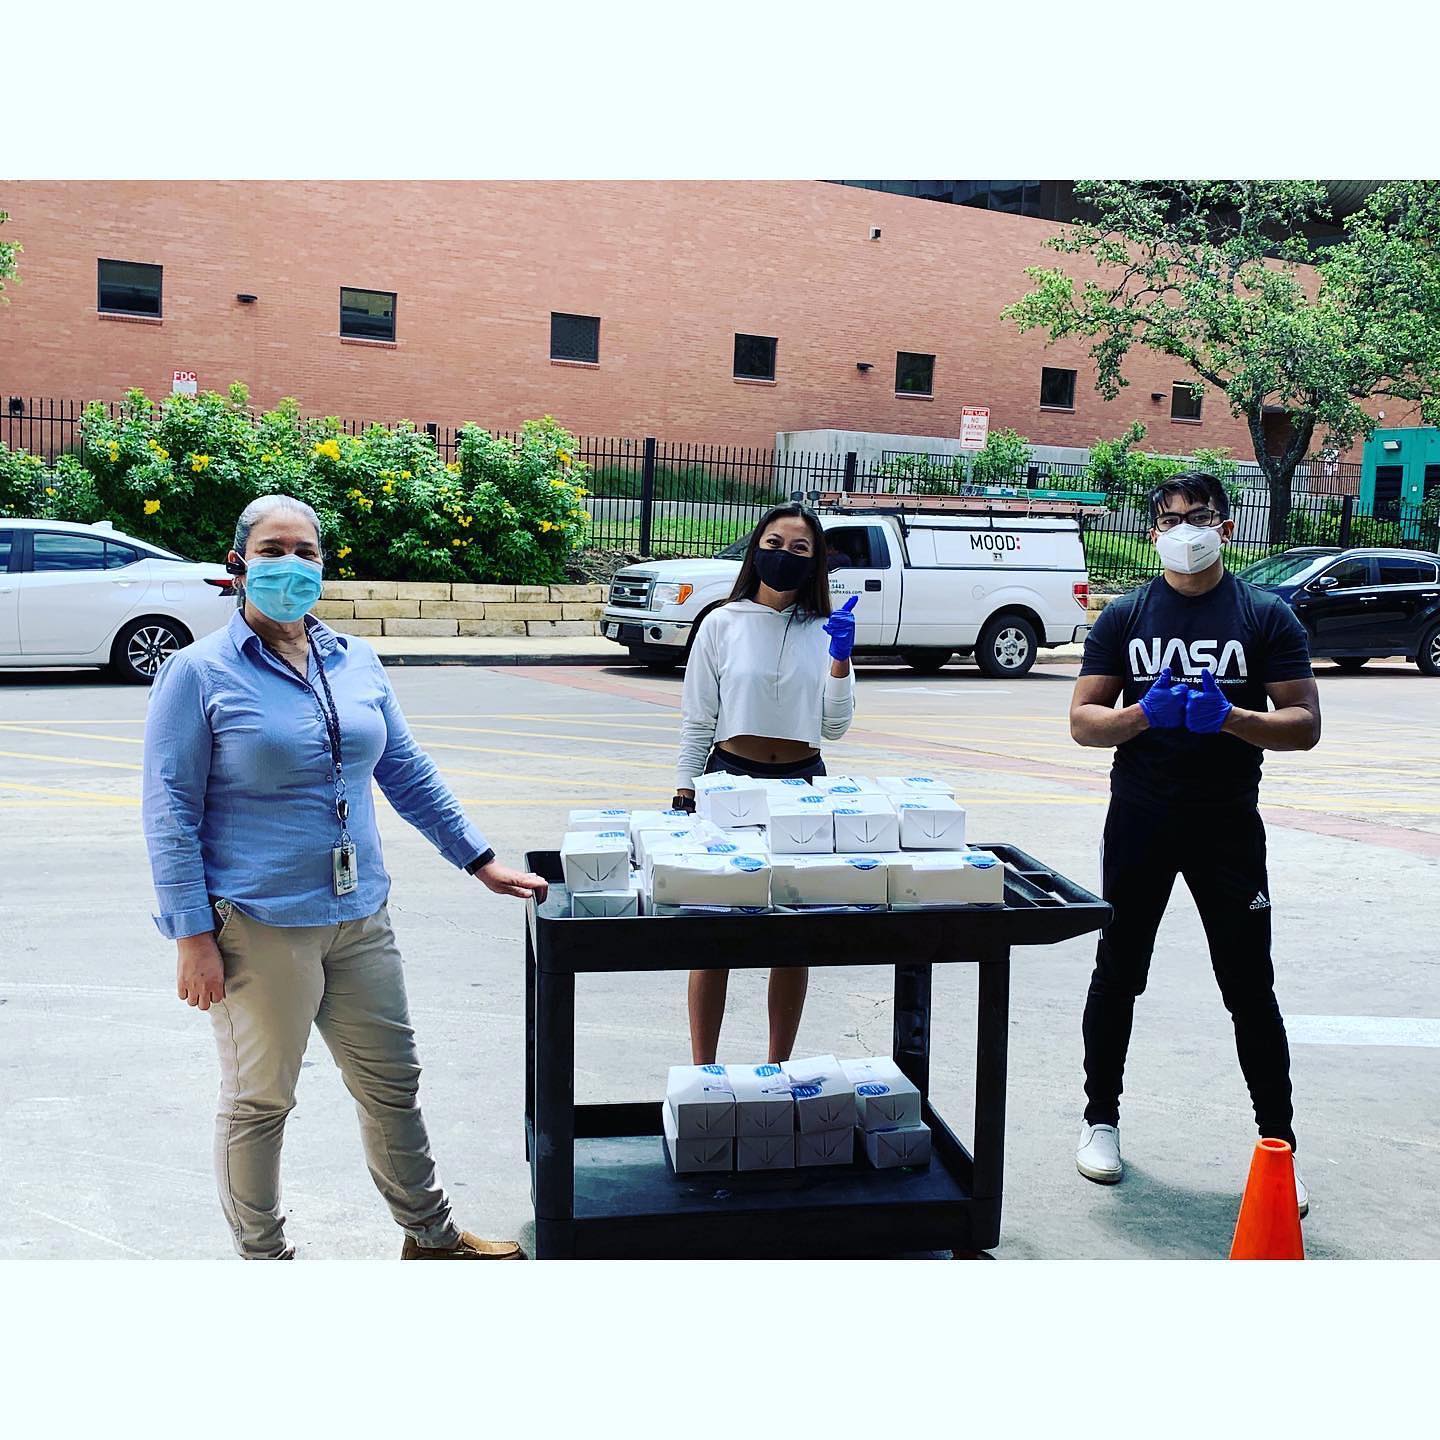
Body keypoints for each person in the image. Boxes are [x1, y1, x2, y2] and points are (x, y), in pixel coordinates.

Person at [142, 494, 549, 1260]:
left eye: (306, 550)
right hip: (258, 925)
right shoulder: (197, 674)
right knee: (260, 1102)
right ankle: (266, 1259)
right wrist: (192, 936)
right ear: (237, 564)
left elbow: (403, 768)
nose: (290, 564)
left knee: (391, 1084)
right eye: (272, 549)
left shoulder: (352, 659)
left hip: (360, 914)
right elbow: (169, 814)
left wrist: (478, 857)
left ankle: (429, 1239)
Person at [1069, 472, 1321, 1215]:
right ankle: (1100, 1120)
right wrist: (1143, 714)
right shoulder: (1125, 615)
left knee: (1248, 984)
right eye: (1172, 518)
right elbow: (1084, 720)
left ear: (1227, 526)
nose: (1187, 529)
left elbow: (1304, 723)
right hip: (1141, 817)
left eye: (1201, 516)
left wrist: (1234, 718)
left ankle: (1277, 1147)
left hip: (1226, 823)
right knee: (1119, 971)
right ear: (1154, 530)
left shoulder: (1265, 614)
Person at [671, 503, 858, 1065]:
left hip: (803, 786)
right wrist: (684, 791)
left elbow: (834, 728)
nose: (784, 556)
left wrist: (841, 661)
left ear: (816, 562)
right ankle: (705, 1070)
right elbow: (698, 718)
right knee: (715, 936)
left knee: (791, 938)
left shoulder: (828, 628)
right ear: (755, 549)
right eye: (774, 543)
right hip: (730, 782)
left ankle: (778, 1067)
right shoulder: (722, 623)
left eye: (800, 549)